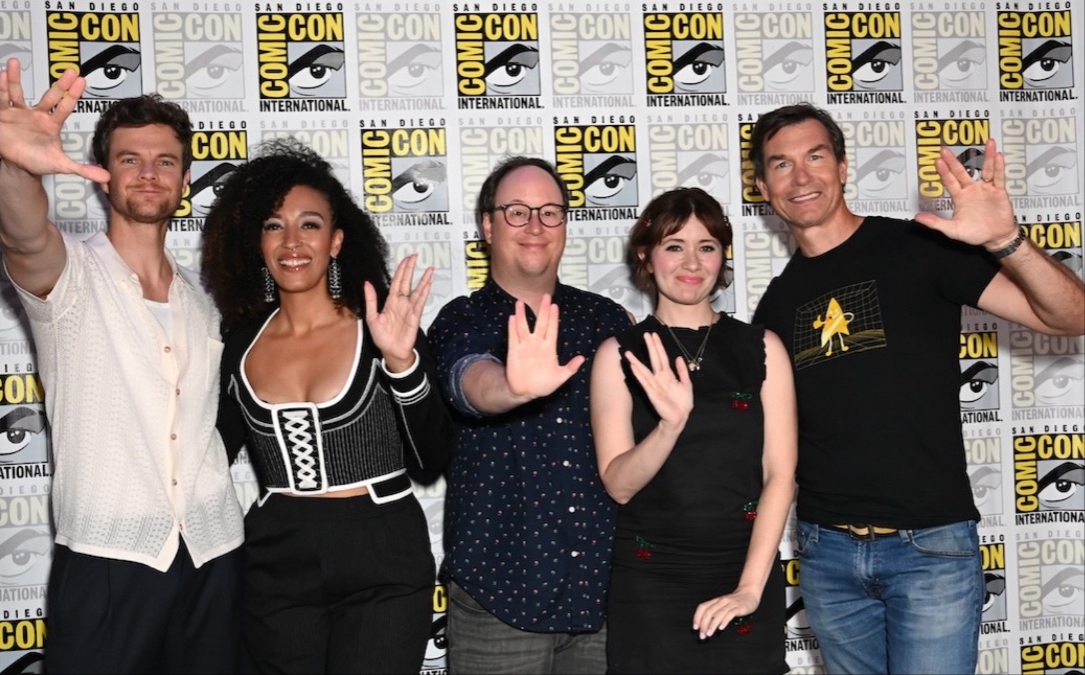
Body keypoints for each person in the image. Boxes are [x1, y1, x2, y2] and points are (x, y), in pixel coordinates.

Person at [749, 103, 1085, 674]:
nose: (801, 177)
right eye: (781, 165)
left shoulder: (916, 247)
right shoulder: (775, 306)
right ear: (763, 187)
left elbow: (1069, 318)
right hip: (826, 554)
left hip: (930, 549)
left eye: (815, 157)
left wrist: (1006, 241)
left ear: (843, 166)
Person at [0, 59, 244, 672]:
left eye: (166, 161)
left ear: (186, 180)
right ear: (104, 176)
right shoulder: (70, 275)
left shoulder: (205, 296)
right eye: (130, 159)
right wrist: (20, 166)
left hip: (215, 553)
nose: (149, 173)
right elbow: (25, 237)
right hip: (107, 558)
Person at [200, 140, 454, 673]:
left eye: (309, 225)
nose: (292, 242)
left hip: (381, 544)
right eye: (274, 226)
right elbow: (207, 460)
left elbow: (433, 455)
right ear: (257, 242)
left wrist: (403, 363)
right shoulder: (238, 342)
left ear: (337, 240)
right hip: (277, 550)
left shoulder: (385, 327)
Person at [427, 157, 631, 674]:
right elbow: (470, 382)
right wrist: (513, 386)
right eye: (516, 212)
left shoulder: (608, 320)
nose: (536, 226)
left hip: (602, 595)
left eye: (550, 212)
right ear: (487, 226)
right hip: (499, 598)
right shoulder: (462, 319)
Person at [591, 188, 795, 674]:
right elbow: (618, 485)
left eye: (707, 246)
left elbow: (780, 475)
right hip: (649, 583)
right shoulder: (617, 354)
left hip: (744, 573)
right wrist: (670, 425)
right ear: (646, 254)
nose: (692, 262)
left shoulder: (761, 347)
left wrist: (749, 588)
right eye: (674, 245)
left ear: (722, 255)